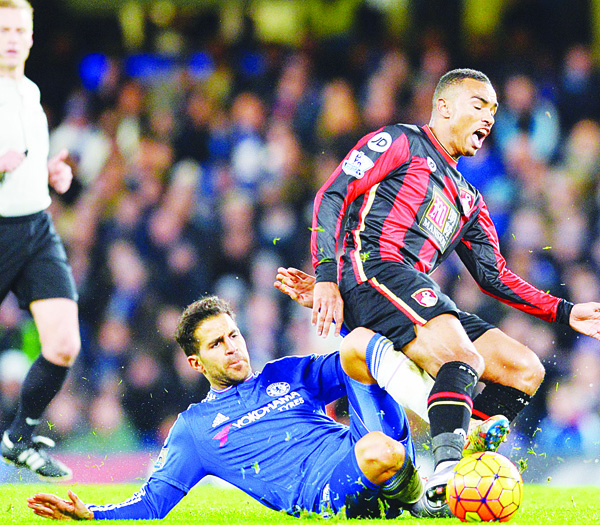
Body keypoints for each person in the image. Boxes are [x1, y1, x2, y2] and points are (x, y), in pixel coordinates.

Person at [310, 68, 600, 508]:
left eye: (494, 111)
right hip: (370, 271)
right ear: (444, 106)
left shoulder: (468, 198)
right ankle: (444, 471)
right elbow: (332, 195)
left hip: (412, 292)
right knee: (462, 355)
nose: (488, 118)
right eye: (479, 104)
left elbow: (493, 275)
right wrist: (327, 276)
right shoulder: (399, 142)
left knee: (524, 368)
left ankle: (460, 472)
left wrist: (563, 311)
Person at [27, 295, 430, 520]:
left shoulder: (284, 374)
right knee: (379, 451)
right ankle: (419, 501)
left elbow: (367, 358)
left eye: (233, 335)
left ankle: (444, 422)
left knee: (359, 342)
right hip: (327, 490)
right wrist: (91, 515)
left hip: (367, 447)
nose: (232, 347)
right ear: (195, 363)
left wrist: (337, 315)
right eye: (217, 344)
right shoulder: (196, 429)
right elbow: (151, 504)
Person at [0, 0, 79, 480]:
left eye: (18, 29)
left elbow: (22, 161)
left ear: (30, 37)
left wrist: (50, 172)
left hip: (36, 227)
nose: (10, 36)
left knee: (64, 343)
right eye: (2, 28)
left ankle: (19, 437)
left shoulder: (29, 92)